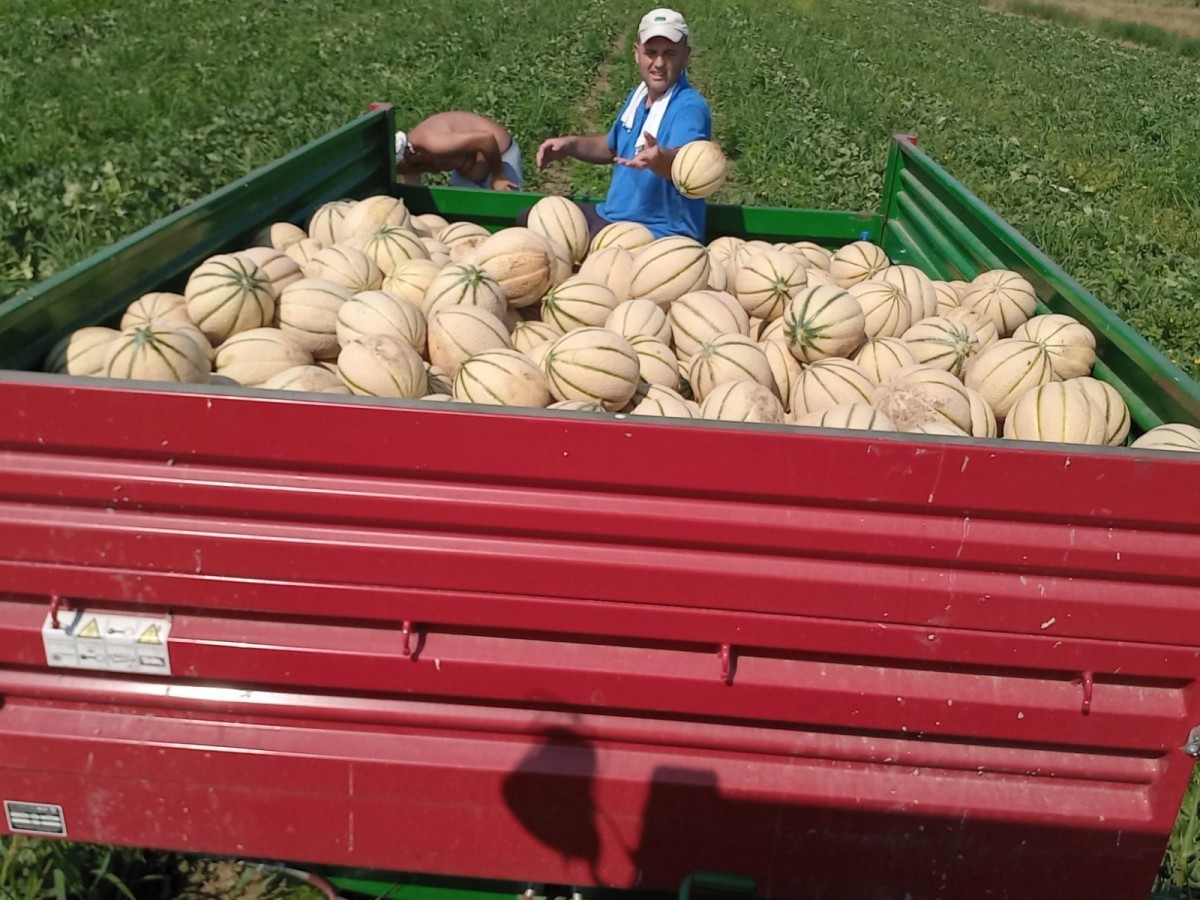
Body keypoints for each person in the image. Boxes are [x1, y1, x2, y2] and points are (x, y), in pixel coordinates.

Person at [533, 8, 712, 240]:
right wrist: (570, 145)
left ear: (685, 56)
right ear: (637, 53)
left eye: (669, 53)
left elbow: (688, 165)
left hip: (658, 232)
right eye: (651, 52)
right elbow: (612, 147)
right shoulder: (638, 97)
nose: (658, 63)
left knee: (563, 237)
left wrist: (660, 159)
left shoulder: (688, 109)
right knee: (533, 216)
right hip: (613, 218)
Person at [395, 111, 523, 192]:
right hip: (468, 166)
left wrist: (498, 176)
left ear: (406, 157)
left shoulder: (435, 144)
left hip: (498, 156)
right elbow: (413, 185)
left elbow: (486, 140)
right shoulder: (410, 160)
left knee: (507, 215)